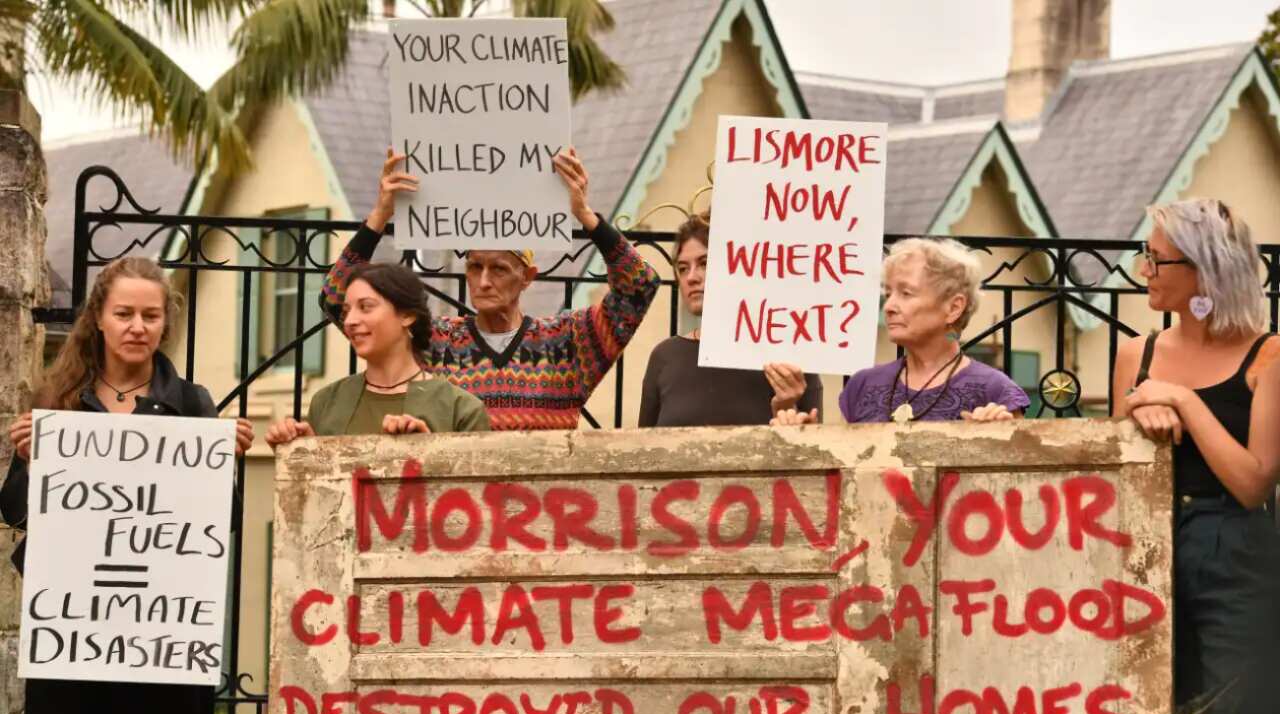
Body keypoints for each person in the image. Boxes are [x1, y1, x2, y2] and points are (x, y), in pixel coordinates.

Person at [0, 257, 254, 714]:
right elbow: (16, 512)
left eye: (150, 316)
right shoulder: (59, 403)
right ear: (98, 318)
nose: (137, 327)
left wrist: (223, 465)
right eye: (124, 314)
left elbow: (226, 523)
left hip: (164, 643)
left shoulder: (193, 403)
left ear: (164, 324)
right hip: (74, 640)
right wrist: (27, 460)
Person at [317, 147, 660, 431]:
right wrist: (379, 216)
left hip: (541, 506)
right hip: (459, 505)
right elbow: (336, 300)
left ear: (527, 277)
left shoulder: (567, 342)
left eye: (498, 269)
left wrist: (586, 216)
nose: (483, 281)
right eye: (474, 266)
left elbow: (640, 287)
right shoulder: (437, 342)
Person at [1112, 198, 1280, 714]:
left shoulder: (1269, 355)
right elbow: (1115, 466)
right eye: (1147, 254)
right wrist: (1141, 414)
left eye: (1157, 259)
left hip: (1233, 550)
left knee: (1235, 702)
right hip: (1141, 543)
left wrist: (1182, 400)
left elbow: (1253, 483)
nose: (1145, 270)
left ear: (1205, 270)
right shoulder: (1134, 353)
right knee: (1146, 698)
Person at [774, 237, 1027, 425]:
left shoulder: (995, 390)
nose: (890, 306)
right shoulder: (862, 385)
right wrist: (799, 432)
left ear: (953, 307)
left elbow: (1020, 482)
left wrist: (999, 435)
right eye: (888, 294)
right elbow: (843, 475)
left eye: (906, 293)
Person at [266, 263, 489, 447]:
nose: (350, 321)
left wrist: (427, 452)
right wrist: (299, 452)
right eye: (346, 312)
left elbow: (476, 495)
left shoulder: (461, 409)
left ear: (407, 315)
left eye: (365, 307)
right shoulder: (326, 402)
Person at [639, 211, 822, 426]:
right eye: (682, 268)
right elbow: (642, 451)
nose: (691, 277)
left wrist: (787, 410)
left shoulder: (787, 362)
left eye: (704, 264)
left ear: (740, 265)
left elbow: (816, 454)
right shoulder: (665, 357)